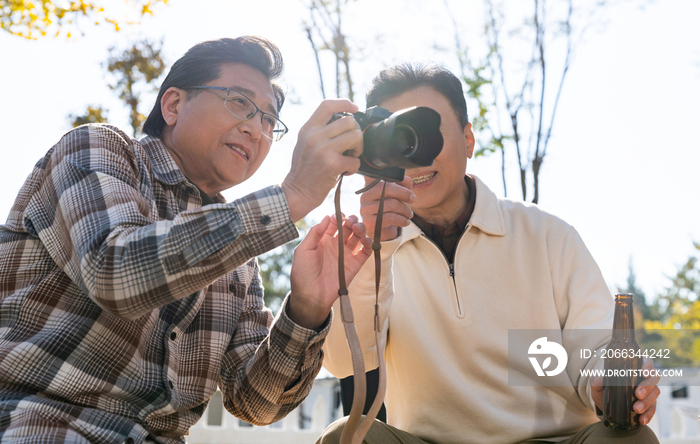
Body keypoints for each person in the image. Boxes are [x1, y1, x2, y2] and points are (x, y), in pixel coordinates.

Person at [0, 36, 373, 444]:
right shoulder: (98, 149)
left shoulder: (238, 257)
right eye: (239, 102)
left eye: (269, 120)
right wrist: (293, 196)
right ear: (173, 105)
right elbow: (114, 271)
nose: (255, 128)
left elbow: (255, 403)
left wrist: (306, 309)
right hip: (43, 423)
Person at [318, 63, 661, 444]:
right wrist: (376, 252)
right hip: (428, 441)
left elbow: (597, 346)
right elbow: (341, 362)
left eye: (426, 133)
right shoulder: (363, 248)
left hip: (556, 439)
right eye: (399, 138)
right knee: (344, 437)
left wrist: (609, 382)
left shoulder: (549, 234)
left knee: (631, 439)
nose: (415, 157)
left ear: (468, 138)